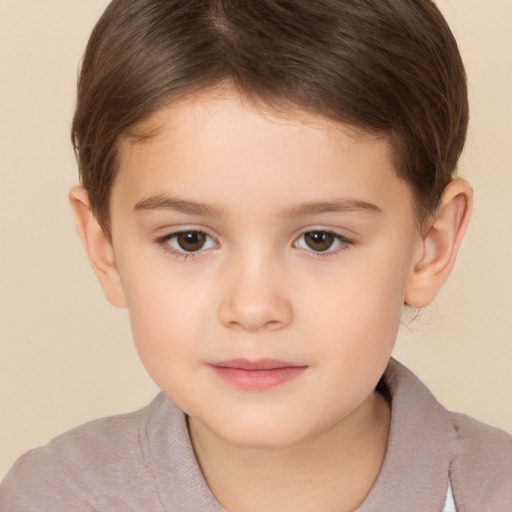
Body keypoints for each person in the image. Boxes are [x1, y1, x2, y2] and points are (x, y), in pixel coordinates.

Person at [1, 0, 511, 510]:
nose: (253, 308)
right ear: (105, 246)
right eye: (190, 240)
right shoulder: (51, 497)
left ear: (431, 245)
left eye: (320, 239)